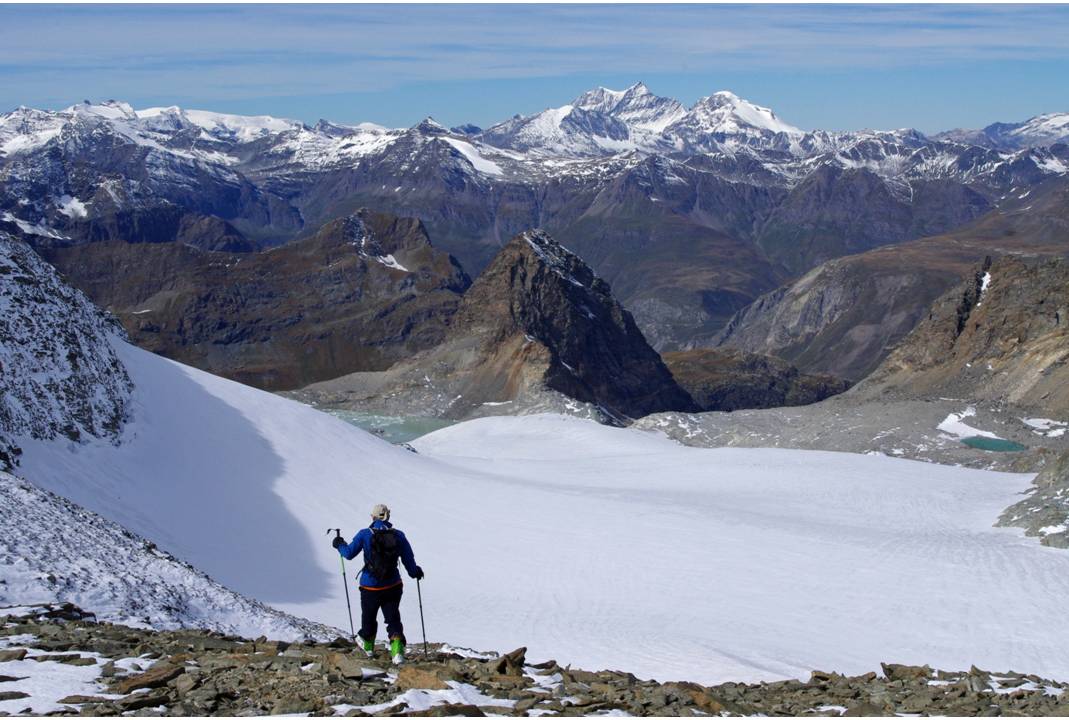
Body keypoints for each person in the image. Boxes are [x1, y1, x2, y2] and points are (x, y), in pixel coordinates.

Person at [332, 503, 423, 664]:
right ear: (388, 517)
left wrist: (339, 544)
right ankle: (397, 653)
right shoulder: (399, 535)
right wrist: (415, 572)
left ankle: (367, 647)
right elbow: (409, 561)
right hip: (393, 585)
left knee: (369, 617)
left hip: (370, 586)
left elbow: (348, 554)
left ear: (372, 517)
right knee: (392, 618)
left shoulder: (364, 534)